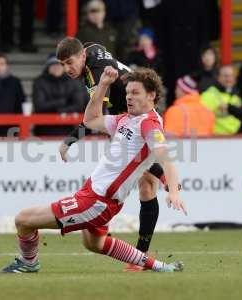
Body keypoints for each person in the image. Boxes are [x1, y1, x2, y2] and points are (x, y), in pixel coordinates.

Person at [0, 67, 186, 273]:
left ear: (151, 95)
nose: (128, 97)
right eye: (127, 92)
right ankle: (161, 267)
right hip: (92, 194)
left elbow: (165, 157)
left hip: (97, 202)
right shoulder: (125, 119)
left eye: (135, 93)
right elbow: (90, 120)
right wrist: (103, 85)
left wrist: (174, 191)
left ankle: (28, 263)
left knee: (23, 220)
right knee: (94, 244)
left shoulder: (149, 124)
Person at [56, 37, 176, 272]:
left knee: (145, 184)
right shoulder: (91, 51)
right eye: (63, 65)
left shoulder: (95, 73)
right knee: (144, 183)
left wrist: (70, 139)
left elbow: (95, 118)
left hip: (138, 111)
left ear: (82, 56)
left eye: (70, 63)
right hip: (131, 111)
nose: (67, 69)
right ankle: (139, 254)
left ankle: (140, 256)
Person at [33, 55, 87, 136]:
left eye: (60, 64)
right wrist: (62, 102)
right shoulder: (39, 82)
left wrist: (59, 110)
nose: (57, 67)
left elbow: (78, 105)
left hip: (68, 127)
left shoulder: (74, 81)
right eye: (53, 65)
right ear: (48, 67)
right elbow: (39, 106)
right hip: (44, 128)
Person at [201, 65, 242, 135]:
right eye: (226, 76)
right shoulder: (209, 94)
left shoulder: (237, 95)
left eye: (231, 76)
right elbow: (202, 118)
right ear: (218, 78)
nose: (229, 79)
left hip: (235, 137)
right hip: (216, 137)